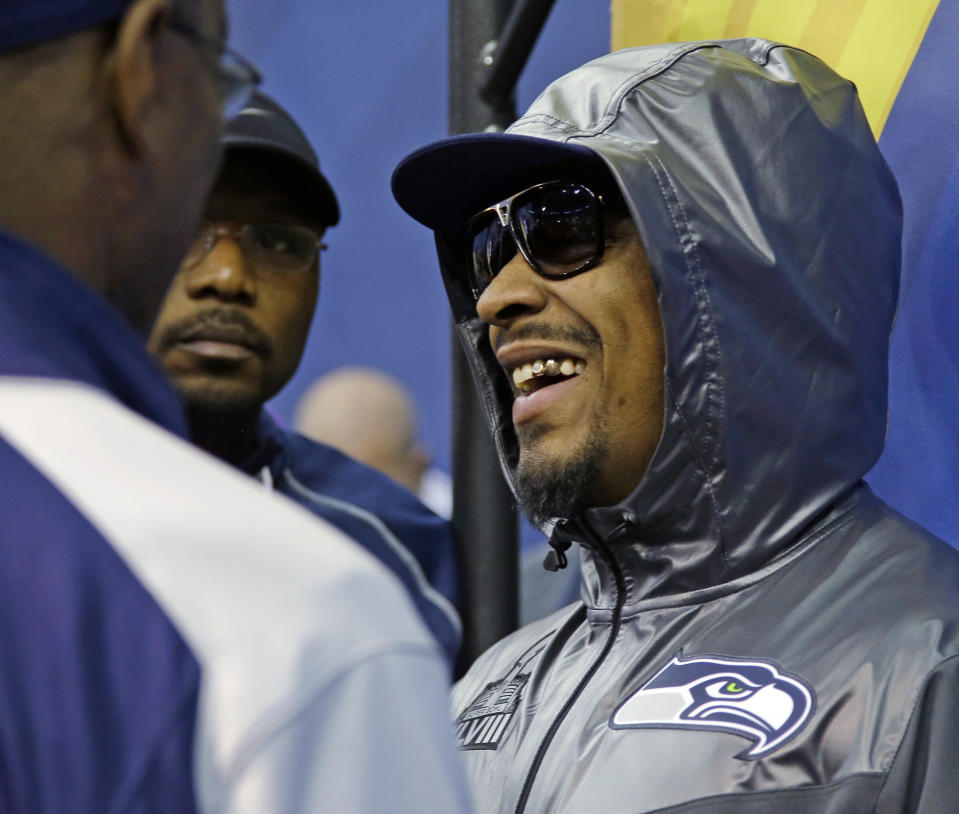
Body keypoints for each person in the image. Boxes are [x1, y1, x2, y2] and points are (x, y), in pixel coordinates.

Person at [392, 39, 959, 812]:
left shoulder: (931, 666)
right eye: (486, 249)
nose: (496, 297)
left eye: (558, 225)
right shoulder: (480, 698)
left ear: (741, 277)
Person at [0, 3, 471, 812]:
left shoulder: (393, 558)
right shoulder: (321, 609)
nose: (226, 276)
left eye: (278, 241)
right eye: (196, 225)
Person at [148, 93, 461, 666]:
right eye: (184, 227)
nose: (227, 277)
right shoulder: (27, 493)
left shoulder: (395, 544)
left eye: (276, 242)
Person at [294, 365, 453, 517]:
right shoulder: (283, 523)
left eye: (374, 491)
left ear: (419, 466)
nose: (352, 512)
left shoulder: (462, 530)